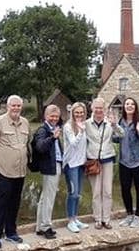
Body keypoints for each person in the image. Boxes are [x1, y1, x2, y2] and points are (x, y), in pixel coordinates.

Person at [0, 94, 29, 249]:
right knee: (1, 203)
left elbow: (26, 144)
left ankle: (11, 233)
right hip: (3, 170)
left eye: (18, 105)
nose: (16, 108)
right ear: (8, 106)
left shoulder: (25, 123)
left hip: (20, 171)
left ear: (21, 107)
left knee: (14, 203)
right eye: (13, 105)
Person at [112, 97, 139, 228]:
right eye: (127, 104)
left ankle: (138, 216)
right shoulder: (121, 121)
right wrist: (114, 128)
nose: (129, 106)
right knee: (125, 189)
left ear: (135, 107)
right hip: (124, 161)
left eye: (132, 104)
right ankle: (129, 215)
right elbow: (117, 139)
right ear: (124, 107)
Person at [85, 97, 121, 230]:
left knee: (107, 191)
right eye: (96, 108)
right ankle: (98, 219)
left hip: (107, 160)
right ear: (92, 109)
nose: (99, 110)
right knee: (96, 192)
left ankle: (106, 219)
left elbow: (122, 135)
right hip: (93, 161)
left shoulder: (109, 123)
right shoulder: (86, 124)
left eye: (101, 108)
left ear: (104, 109)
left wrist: (115, 125)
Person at [33, 104, 63, 239]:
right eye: (52, 116)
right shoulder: (43, 130)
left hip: (54, 165)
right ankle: (46, 227)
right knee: (49, 198)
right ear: (46, 116)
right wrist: (53, 138)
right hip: (50, 167)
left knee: (44, 198)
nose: (54, 118)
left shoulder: (53, 129)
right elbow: (40, 147)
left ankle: (39, 226)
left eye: (56, 116)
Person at [62, 102, 89, 233]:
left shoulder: (84, 125)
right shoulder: (68, 127)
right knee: (72, 193)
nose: (79, 115)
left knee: (78, 194)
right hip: (70, 164)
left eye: (81, 112)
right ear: (72, 113)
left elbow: (84, 145)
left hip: (80, 164)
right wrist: (81, 131)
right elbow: (73, 143)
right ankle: (70, 221)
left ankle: (75, 218)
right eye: (76, 112)